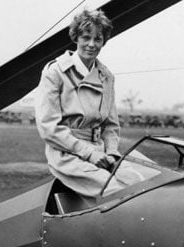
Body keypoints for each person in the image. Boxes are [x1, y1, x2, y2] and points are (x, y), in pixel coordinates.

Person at [35, 9, 141, 198]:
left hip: (101, 151)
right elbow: (48, 128)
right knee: (117, 193)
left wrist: (112, 152)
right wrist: (89, 153)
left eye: (98, 39)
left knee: (140, 185)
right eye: (86, 37)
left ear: (104, 41)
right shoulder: (55, 72)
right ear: (76, 37)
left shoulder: (106, 76)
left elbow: (111, 125)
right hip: (66, 154)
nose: (91, 44)